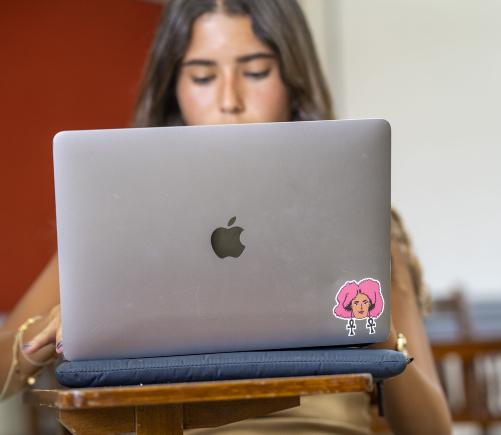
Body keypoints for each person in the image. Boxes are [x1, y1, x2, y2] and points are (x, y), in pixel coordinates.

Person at [0, 1, 452, 433]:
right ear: (174, 89)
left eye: (256, 71)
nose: (229, 99)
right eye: (202, 76)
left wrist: (381, 339)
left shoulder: (361, 227)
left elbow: (433, 429)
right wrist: (54, 333)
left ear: (292, 78)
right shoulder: (122, 229)